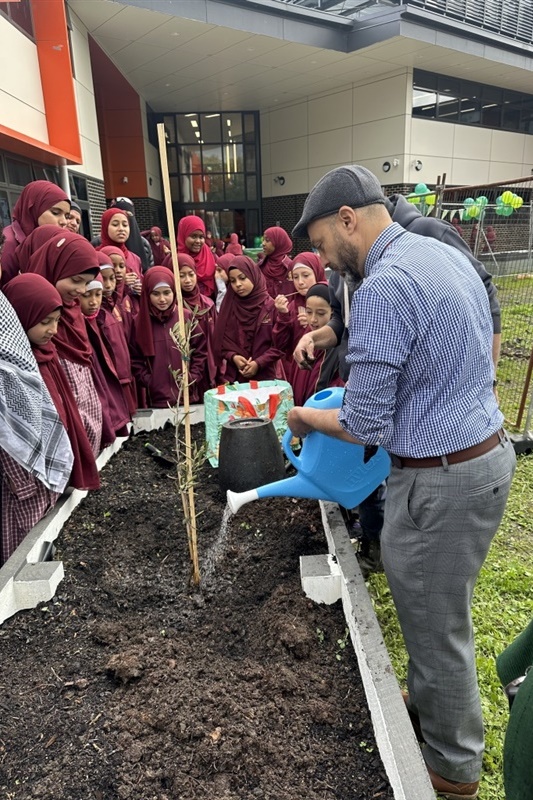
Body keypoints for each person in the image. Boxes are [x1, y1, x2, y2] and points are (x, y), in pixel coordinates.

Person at [289, 164, 516, 798]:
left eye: (322, 247)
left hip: (444, 479)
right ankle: (433, 726)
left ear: (348, 219)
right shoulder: (436, 254)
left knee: (438, 630)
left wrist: (304, 415)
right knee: (434, 609)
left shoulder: (386, 283)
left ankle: (449, 773)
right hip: (484, 455)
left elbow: (364, 420)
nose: (327, 265)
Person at [3, 273, 99, 493]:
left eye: (56, 321)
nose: (53, 330)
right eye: (45, 322)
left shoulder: (48, 351)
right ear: (20, 316)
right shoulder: (17, 365)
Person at [20, 229, 103, 456]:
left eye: (87, 283)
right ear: (53, 267)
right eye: (76, 280)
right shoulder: (30, 310)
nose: (81, 291)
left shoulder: (74, 310)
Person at [130, 266, 207, 408]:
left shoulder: (186, 317)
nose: (162, 299)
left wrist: (192, 377)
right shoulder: (138, 323)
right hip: (157, 400)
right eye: (156, 294)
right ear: (147, 294)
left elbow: (200, 350)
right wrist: (150, 381)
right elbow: (135, 359)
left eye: (167, 293)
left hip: (188, 397)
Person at [213, 255, 284, 384]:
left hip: (267, 379)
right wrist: (233, 357)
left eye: (242, 278)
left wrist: (259, 363)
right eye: (233, 281)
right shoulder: (229, 307)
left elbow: (280, 344)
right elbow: (221, 341)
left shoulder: (270, 307)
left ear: (253, 276)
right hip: (237, 379)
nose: (238, 284)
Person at [79, 275, 130, 443]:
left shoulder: (101, 319)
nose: (93, 302)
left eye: (98, 294)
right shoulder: (77, 326)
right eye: (86, 295)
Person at [280, 282, 343, 405]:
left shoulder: (340, 347)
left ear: (334, 312)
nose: (313, 319)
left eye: (320, 313)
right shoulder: (305, 339)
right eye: (309, 312)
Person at [1, 180, 70, 286]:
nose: (64, 222)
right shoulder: (8, 244)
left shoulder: (48, 241)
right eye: (56, 213)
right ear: (33, 208)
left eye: (66, 216)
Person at [176, 253, 218, 400]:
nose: (187, 280)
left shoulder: (207, 304)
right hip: (185, 371)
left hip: (208, 368)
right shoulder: (173, 306)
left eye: (191, 274)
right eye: (181, 275)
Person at [91, 197, 152, 271]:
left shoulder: (143, 245)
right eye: (115, 224)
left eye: (125, 223)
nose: (121, 229)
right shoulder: (96, 245)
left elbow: (148, 270)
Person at [97, 208, 143, 283]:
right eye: (115, 224)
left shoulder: (135, 259)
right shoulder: (96, 257)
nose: (121, 229)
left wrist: (140, 288)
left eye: (125, 225)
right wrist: (120, 282)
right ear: (105, 227)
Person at [176, 215, 216, 298]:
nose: (198, 241)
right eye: (193, 236)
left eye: (201, 237)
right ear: (183, 235)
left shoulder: (211, 256)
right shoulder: (174, 260)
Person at [256, 226, 293, 298]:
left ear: (278, 242)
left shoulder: (290, 268)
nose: (263, 244)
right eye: (263, 240)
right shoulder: (260, 267)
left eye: (267, 240)